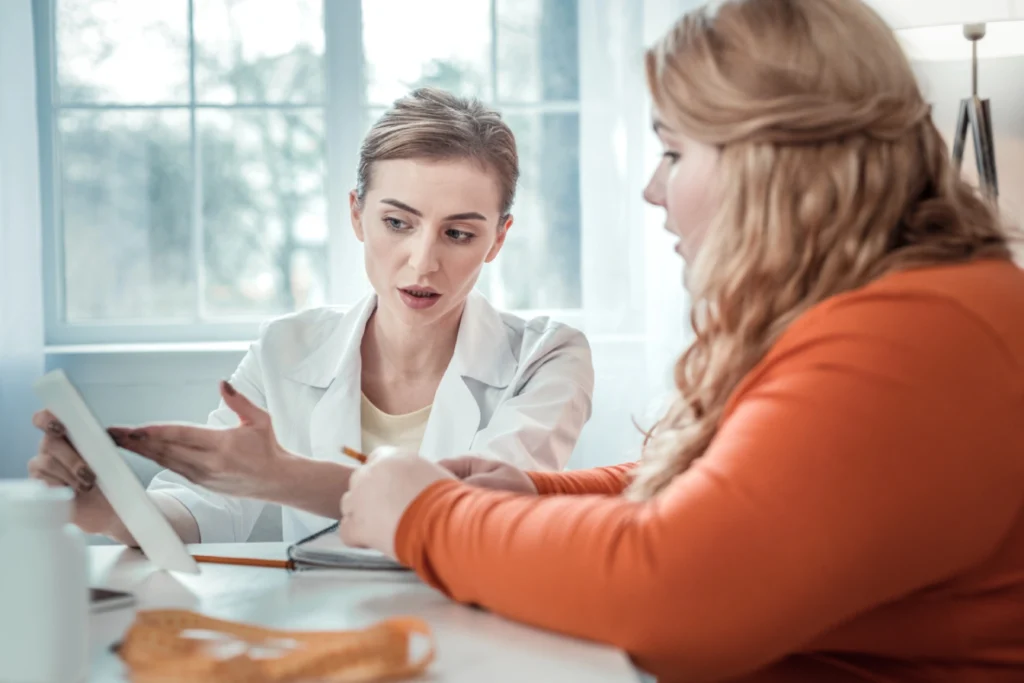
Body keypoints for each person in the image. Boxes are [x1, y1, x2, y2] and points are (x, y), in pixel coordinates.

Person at [336, 2, 1024, 682]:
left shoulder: (925, 337)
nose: (652, 189)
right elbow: (728, 492)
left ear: (771, 162)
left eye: (673, 152)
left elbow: (678, 588)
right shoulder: (894, 311)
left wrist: (426, 516)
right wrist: (536, 492)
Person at [27, 88, 594, 546]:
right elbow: (202, 507)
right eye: (398, 223)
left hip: (474, 624)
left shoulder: (548, 357)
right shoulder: (287, 347)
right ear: (357, 215)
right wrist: (111, 511)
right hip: (325, 625)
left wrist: (280, 477)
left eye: (459, 233)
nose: (423, 262)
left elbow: (478, 514)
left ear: (498, 239)